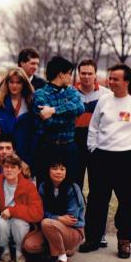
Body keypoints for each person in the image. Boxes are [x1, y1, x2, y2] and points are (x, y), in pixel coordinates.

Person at [80, 64, 131, 259]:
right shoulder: (104, 101)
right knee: (96, 200)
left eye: (115, 79)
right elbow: (93, 128)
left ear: (126, 81)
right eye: (110, 78)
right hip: (102, 157)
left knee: (127, 202)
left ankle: (124, 241)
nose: (110, 81)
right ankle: (92, 238)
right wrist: (93, 149)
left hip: (127, 159)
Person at [23, 159, 85, 262]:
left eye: (62, 169)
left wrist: (52, 218)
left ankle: (62, 258)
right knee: (29, 245)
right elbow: (40, 212)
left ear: (67, 171)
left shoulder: (73, 188)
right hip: (50, 228)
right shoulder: (43, 187)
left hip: (73, 231)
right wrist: (58, 218)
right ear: (48, 170)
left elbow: (72, 219)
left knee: (47, 223)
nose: (58, 172)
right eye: (54, 168)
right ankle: (61, 249)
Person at [32, 56, 84, 186]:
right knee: (45, 186)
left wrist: (54, 110)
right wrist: (69, 117)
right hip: (49, 148)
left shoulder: (71, 91)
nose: (70, 77)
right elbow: (48, 123)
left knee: (71, 186)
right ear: (61, 74)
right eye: (69, 74)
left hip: (69, 148)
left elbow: (80, 108)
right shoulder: (40, 94)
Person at [0, 154, 43, 262]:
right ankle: (5, 249)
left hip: (20, 218)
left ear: (19, 169)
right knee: (1, 222)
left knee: (18, 223)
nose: (9, 170)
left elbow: (38, 213)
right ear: (2, 168)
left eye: (13, 167)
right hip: (2, 216)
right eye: (6, 167)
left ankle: (19, 250)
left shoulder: (29, 186)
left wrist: (13, 211)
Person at [74, 59, 110, 189]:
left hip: (97, 142)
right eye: (83, 73)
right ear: (79, 74)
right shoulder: (70, 93)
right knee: (75, 183)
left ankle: (94, 210)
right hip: (76, 142)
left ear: (95, 74)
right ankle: (75, 209)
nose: (86, 77)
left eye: (90, 73)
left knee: (97, 183)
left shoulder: (106, 94)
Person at [0, 67, 36, 169]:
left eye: (18, 83)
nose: (14, 86)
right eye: (11, 82)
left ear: (24, 84)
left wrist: (28, 161)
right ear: (6, 83)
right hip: (3, 159)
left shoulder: (32, 104)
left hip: (24, 158)